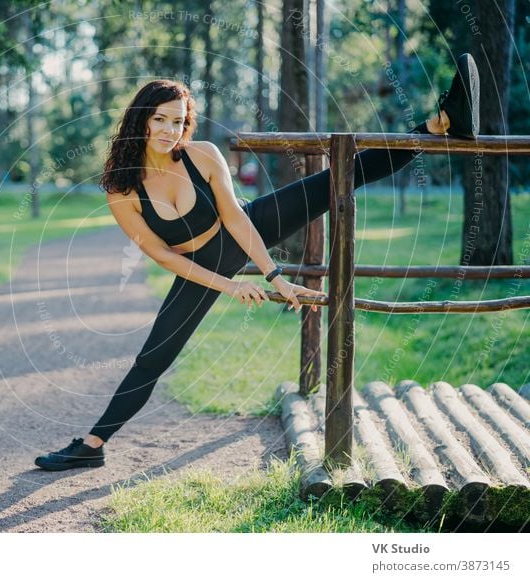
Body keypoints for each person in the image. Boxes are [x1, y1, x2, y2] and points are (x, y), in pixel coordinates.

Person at [35, 53, 480, 471]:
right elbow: (159, 253)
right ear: (141, 120)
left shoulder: (203, 155)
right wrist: (227, 285)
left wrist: (276, 278)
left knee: (341, 176)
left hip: (246, 225)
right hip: (199, 265)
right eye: (159, 119)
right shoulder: (122, 188)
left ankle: (439, 123)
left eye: (178, 120)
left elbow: (235, 218)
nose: (170, 130)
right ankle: (92, 446)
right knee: (154, 355)